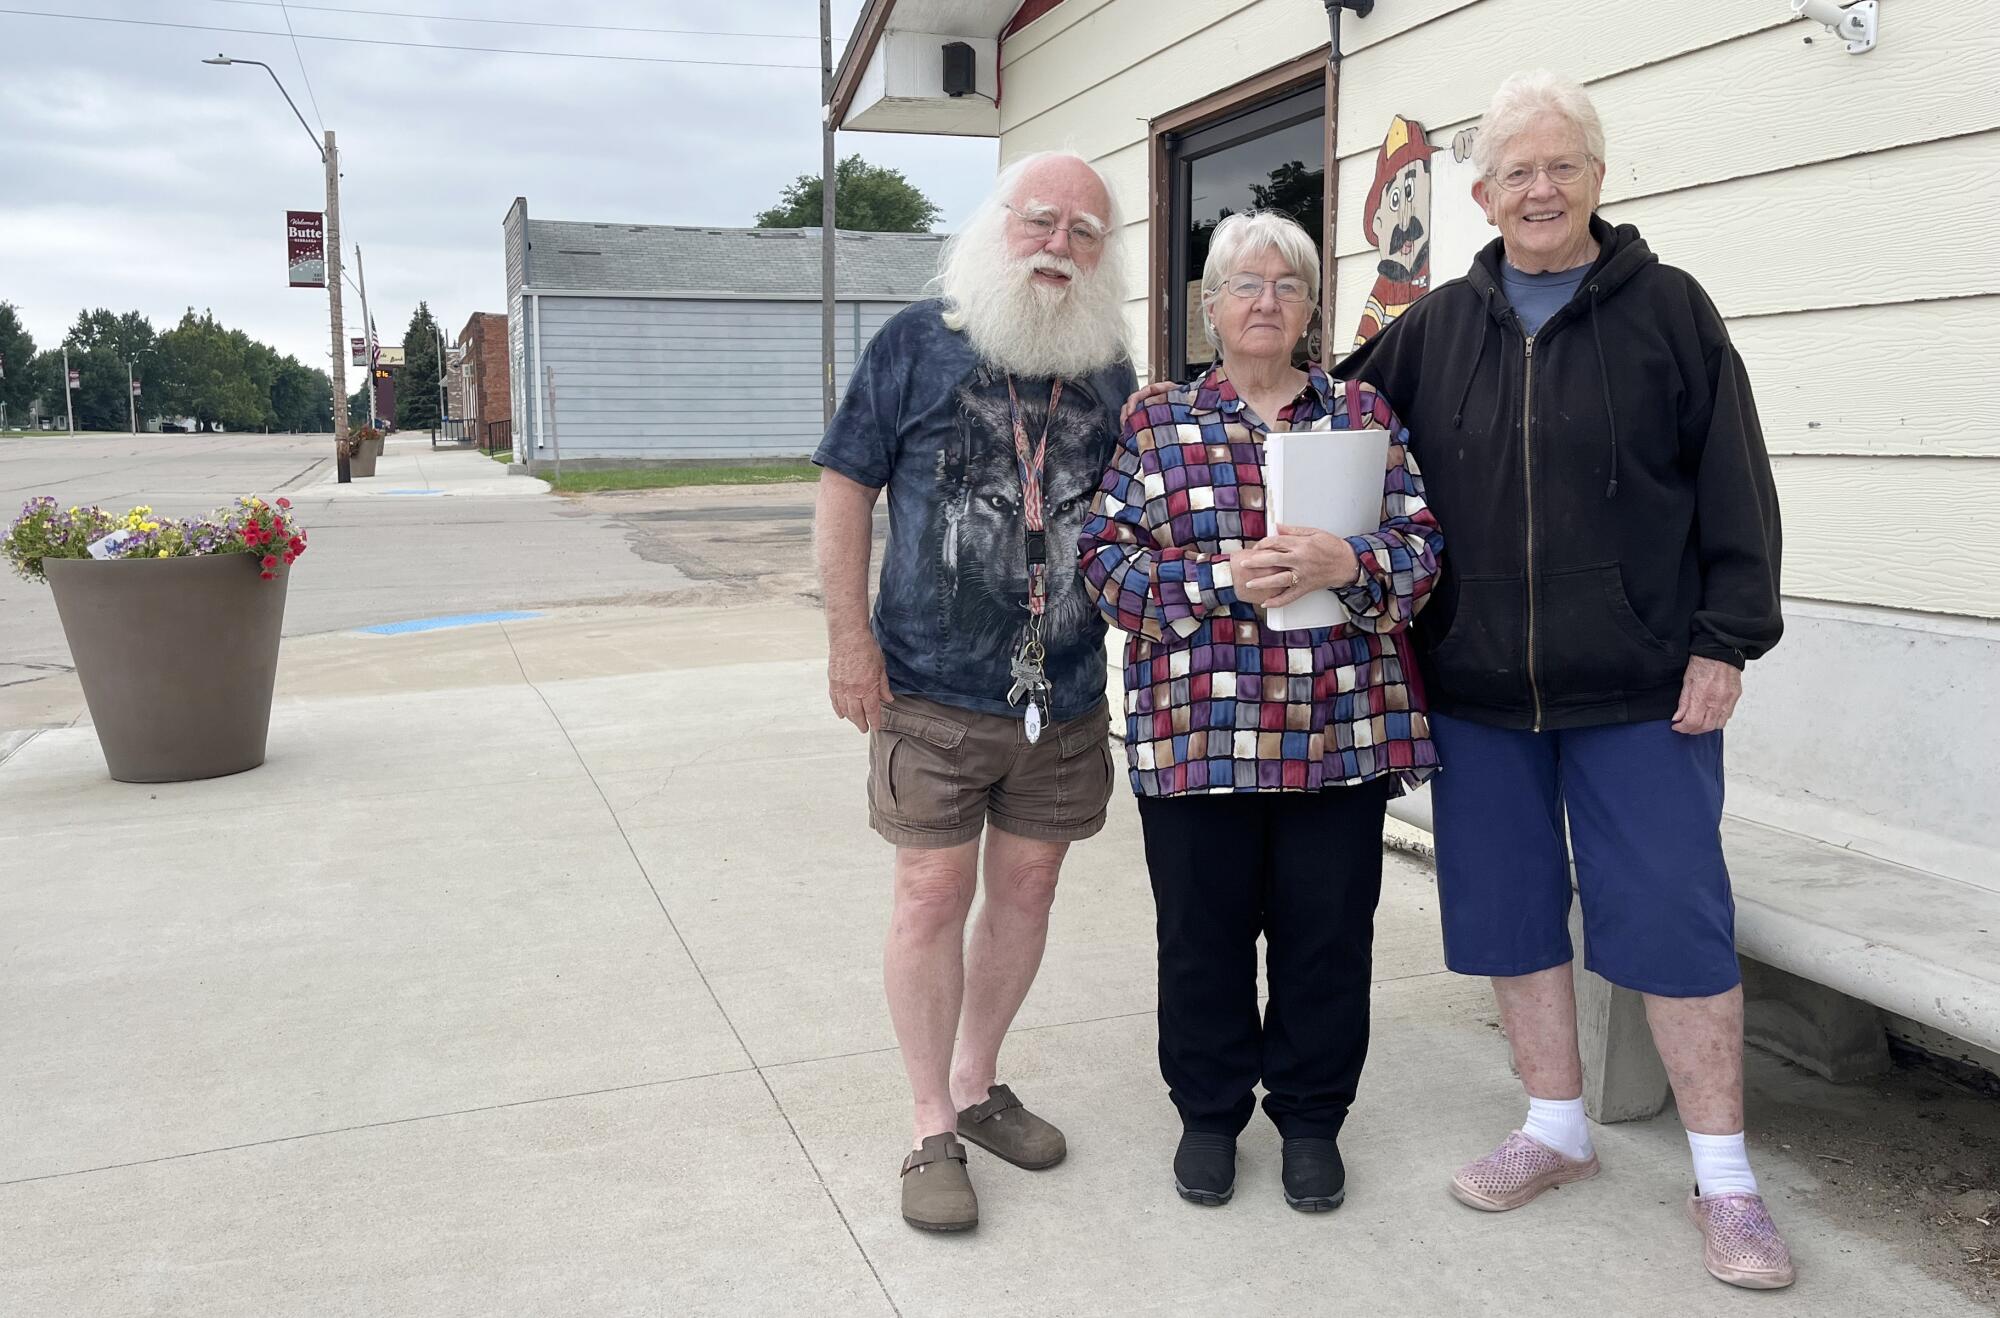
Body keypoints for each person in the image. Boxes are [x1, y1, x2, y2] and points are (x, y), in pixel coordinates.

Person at [1340, 70, 1790, 1289]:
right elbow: (1323, 413)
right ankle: (1553, 1126)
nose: (1538, 189)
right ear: (1480, 192)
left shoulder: (1671, 313)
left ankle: (1726, 1178)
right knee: (1508, 913)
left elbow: (1735, 484)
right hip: (1477, 685)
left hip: (1644, 685)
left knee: (1674, 922)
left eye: (1562, 166)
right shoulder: (1432, 325)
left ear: (1598, 176)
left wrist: (1724, 637)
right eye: (1514, 172)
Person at [1079, 210, 1441, 1212]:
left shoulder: (1360, 415)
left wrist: (1348, 560)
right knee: (1201, 935)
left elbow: (1420, 553)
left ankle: (1311, 1117)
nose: (1264, 300)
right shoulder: (1156, 424)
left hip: (1336, 731)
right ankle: (1206, 1113)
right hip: (1198, 730)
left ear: (1310, 305)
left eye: (1285, 284)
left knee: (1327, 934)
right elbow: (1107, 570)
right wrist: (1223, 575)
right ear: (1208, 307)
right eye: (1243, 283)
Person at [812, 151, 1137, 1233]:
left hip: (1066, 699)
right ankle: (926, 1127)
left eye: (1084, 231)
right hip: (929, 693)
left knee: (1030, 892)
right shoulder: (914, 344)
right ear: (997, 228)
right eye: (1041, 221)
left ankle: (974, 1080)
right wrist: (847, 639)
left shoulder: (1106, 367)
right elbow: (844, 488)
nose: (1060, 244)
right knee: (927, 898)